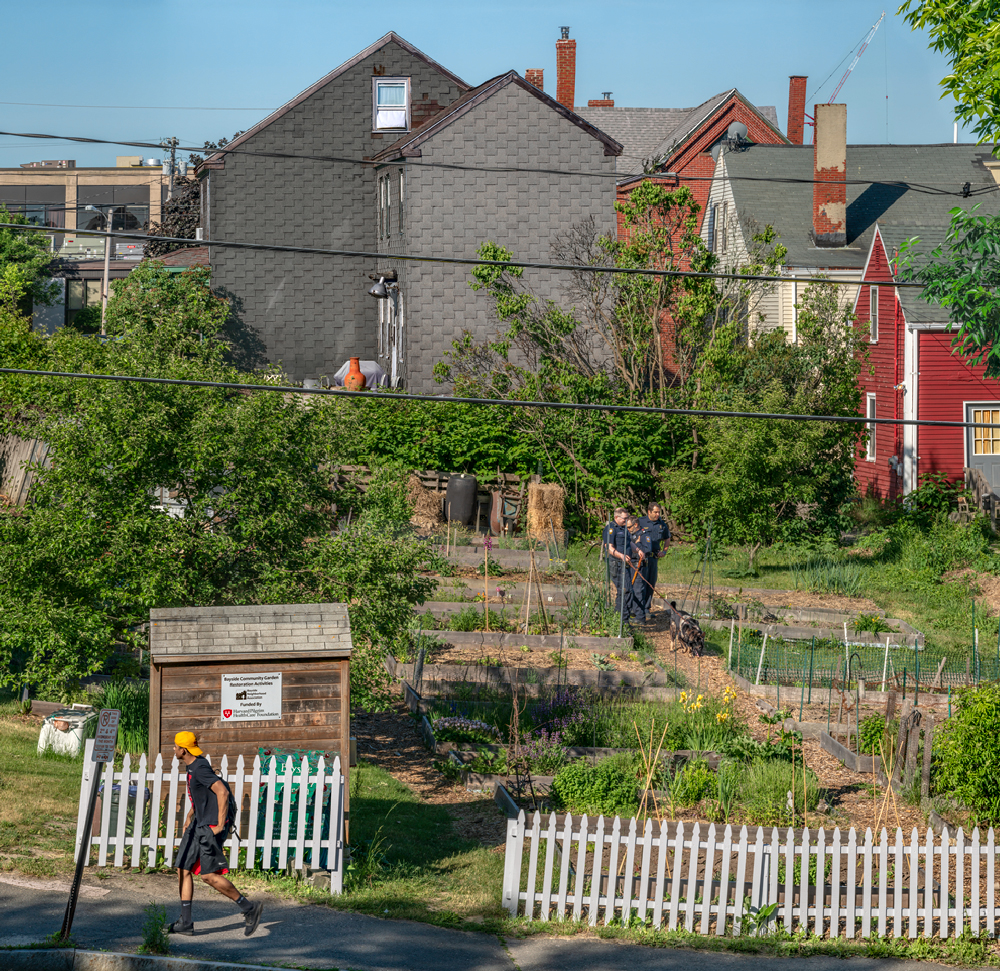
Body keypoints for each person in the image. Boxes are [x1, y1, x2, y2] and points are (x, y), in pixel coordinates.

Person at [169, 731, 264, 937]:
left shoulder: (200, 768)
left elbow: (222, 791)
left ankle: (249, 908)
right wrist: (190, 815)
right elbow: (203, 794)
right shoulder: (194, 765)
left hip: (210, 827)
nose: (174, 749)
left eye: (175, 746)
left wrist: (220, 825)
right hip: (198, 824)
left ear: (183, 750)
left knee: (209, 876)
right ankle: (186, 922)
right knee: (183, 868)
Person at [638, 502, 670, 621]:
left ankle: (646, 609)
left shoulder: (661, 524)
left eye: (659, 512)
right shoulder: (640, 522)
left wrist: (664, 551)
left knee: (650, 583)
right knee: (640, 583)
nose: (657, 514)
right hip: (642, 557)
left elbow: (667, 538)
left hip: (653, 558)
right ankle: (637, 609)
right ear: (649, 512)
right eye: (655, 512)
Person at [603, 507, 632, 620]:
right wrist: (621, 556)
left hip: (625, 564)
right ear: (616, 517)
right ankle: (620, 620)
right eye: (624, 519)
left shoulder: (624, 529)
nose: (626, 521)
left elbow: (629, 544)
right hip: (616, 564)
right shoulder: (611, 529)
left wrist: (638, 550)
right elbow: (609, 548)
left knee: (628, 591)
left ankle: (622, 618)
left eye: (627, 518)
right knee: (624, 590)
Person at [626, 514, 652, 622]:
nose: (627, 529)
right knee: (630, 589)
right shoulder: (631, 535)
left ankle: (640, 617)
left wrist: (637, 545)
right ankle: (632, 610)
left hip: (639, 565)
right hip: (631, 564)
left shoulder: (644, 535)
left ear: (635, 525)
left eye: (629, 527)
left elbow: (647, 550)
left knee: (638, 590)